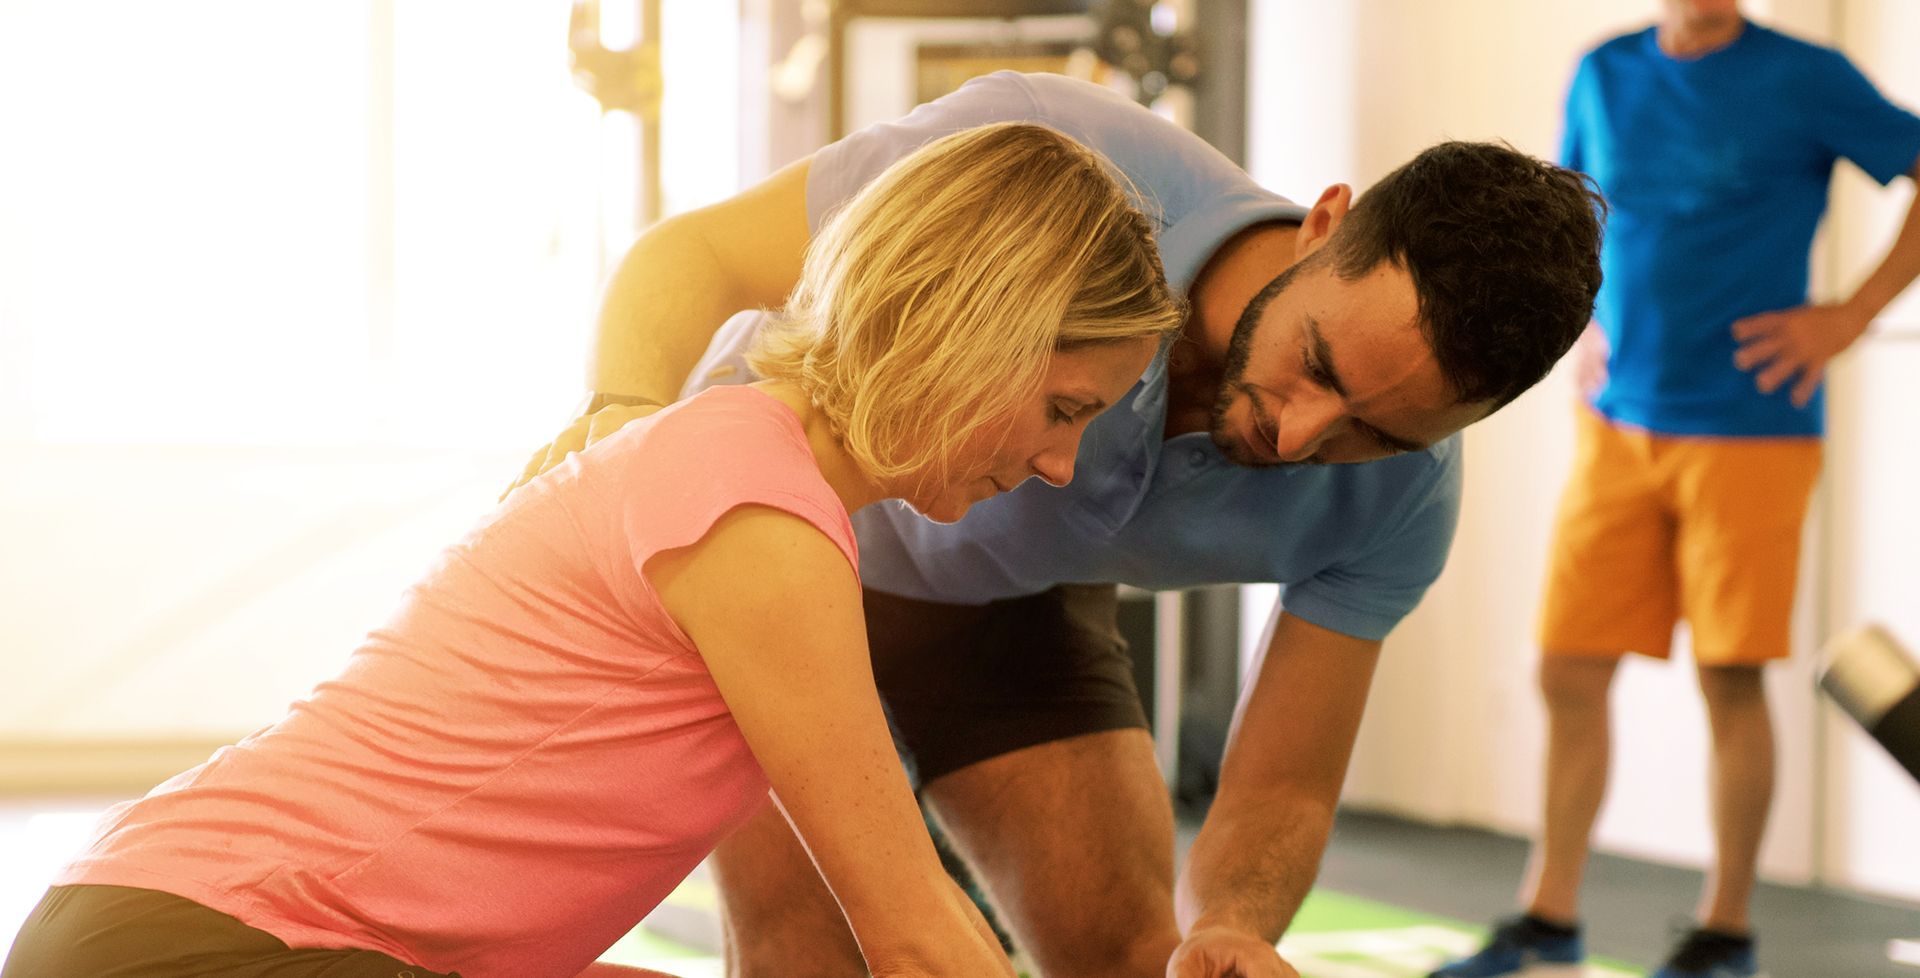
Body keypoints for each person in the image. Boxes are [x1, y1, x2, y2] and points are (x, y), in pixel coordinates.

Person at [0, 122, 1184, 978]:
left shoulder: (752, 469)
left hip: (168, 925)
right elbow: (914, 933)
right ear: (974, 333)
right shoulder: (756, 512)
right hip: (204, 942)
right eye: (1063, 408)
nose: (1060, 466)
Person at [509, 72, 1606, 978]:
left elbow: (1284, 783)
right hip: (770, 551)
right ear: (1324, 224)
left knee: (1138, 958)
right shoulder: (1055, 155)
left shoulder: (1403, 499)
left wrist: (1233, 922)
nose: (1302, 436)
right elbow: (695, 258)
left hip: (1003, 589)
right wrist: (623, 433)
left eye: (1375, 431)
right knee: (826, 951)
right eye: (1317, 365)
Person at [1431, 3, 1920, 977]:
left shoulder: (1805, 76)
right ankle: (1549, 919)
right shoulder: (1605, 71)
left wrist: (1851, 315)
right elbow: (1568, 218)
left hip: (1751, 429)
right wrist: (1577, 322)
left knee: (1729, 678)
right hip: (1618, 427)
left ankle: (1725, 932)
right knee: (1567, 671)